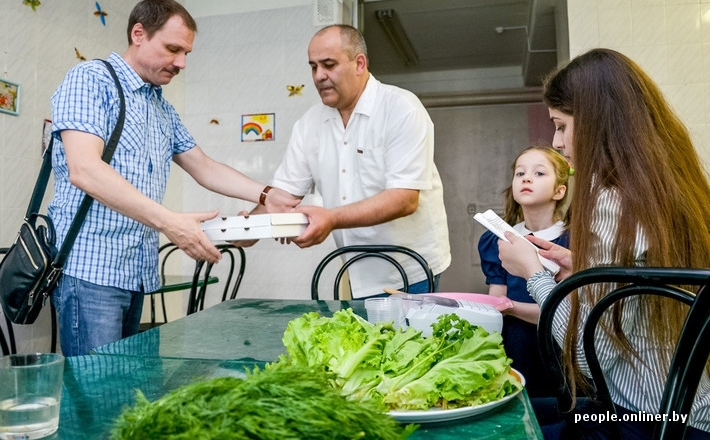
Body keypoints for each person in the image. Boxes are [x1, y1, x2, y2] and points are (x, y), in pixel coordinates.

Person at [48, 0, 299, 356]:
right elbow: (85, 169)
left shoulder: (160, 106)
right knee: (98, 398)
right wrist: (170, 222)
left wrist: (266, 195)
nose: (181, 62)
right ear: (139, 34)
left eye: (186, 54)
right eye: (172, 49)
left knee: (126, 393)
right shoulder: (90, 80)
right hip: (90, 272)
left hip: (134, 272)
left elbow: (204, 166)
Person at [497, 48, 710, 439]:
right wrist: (580, 268)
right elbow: (641, 289)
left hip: (640, 418)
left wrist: (533, 273)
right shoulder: (668, 187)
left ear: (596, 122)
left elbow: (585, 352)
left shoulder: (612, 204)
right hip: (690, 406)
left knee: (505, 420)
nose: (557, 142)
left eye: (561, 126)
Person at [240, 24, 451, 299]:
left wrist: (330, 218)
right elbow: (284, 194)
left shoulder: (401, 108)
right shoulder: (309, 125)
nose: (319, 76)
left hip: (411, 270)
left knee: (406, 343)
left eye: (328, 65)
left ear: (359, 63)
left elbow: (404, 199)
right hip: (353, 269)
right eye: (313, 67)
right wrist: (249, 226)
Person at [478, 145, 570, 399]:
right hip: (515, 346)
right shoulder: (495, 240)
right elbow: (497, 299)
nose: (527, 178)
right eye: (520, 173)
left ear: (559, 191)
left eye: (539, 173)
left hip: (559, 350)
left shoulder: (571, 242)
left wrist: (511, 308)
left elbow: (565, 312)